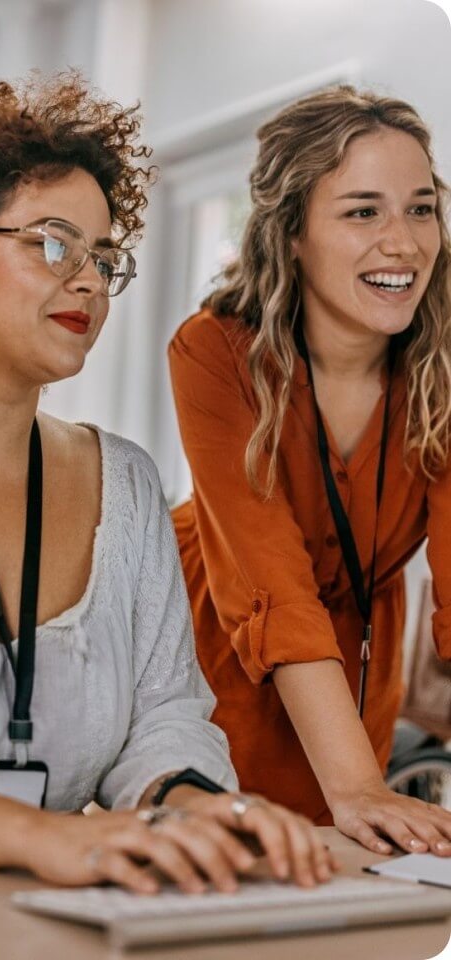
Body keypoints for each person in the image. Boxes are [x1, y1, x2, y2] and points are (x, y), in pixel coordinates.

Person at [0, 72, 336, 894]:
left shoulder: (127, 483)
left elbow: (165, 717)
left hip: (48, 919)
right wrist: (41, 838)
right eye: (51, 243)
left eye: (105, 256)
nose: (89, 281)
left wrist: (201, 806)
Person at [169, 85, 451, 857]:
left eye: (421, 208)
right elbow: (271, 584)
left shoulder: (445, 366)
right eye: (364, 211)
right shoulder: (214, 352)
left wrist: (362, 785)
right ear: (292, 231)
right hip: (223, 646)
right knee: (238, 872)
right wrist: (357, 784)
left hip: (359, 661)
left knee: (356, 870)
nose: (404, 243)